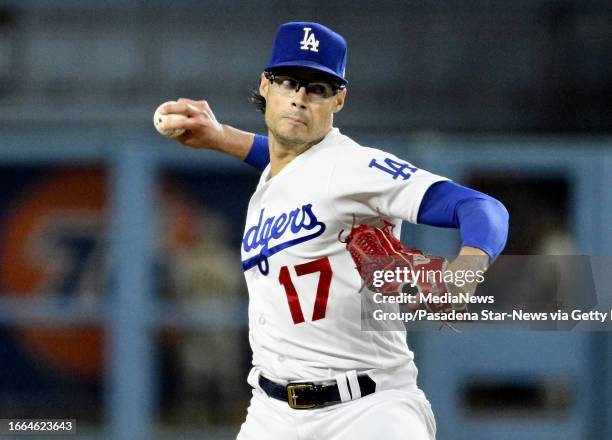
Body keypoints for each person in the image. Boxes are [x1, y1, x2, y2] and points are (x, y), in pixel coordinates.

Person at [156, 21, 509, 440]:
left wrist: (468, 265)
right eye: (289, 82)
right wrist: (221, 137)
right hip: (272, 413)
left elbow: (482, 207)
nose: (300, 98)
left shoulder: (356, 167)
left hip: (367, 410)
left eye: (318, 88)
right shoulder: (281, 173)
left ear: (339, 99)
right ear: (265, 87)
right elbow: (287, 161)